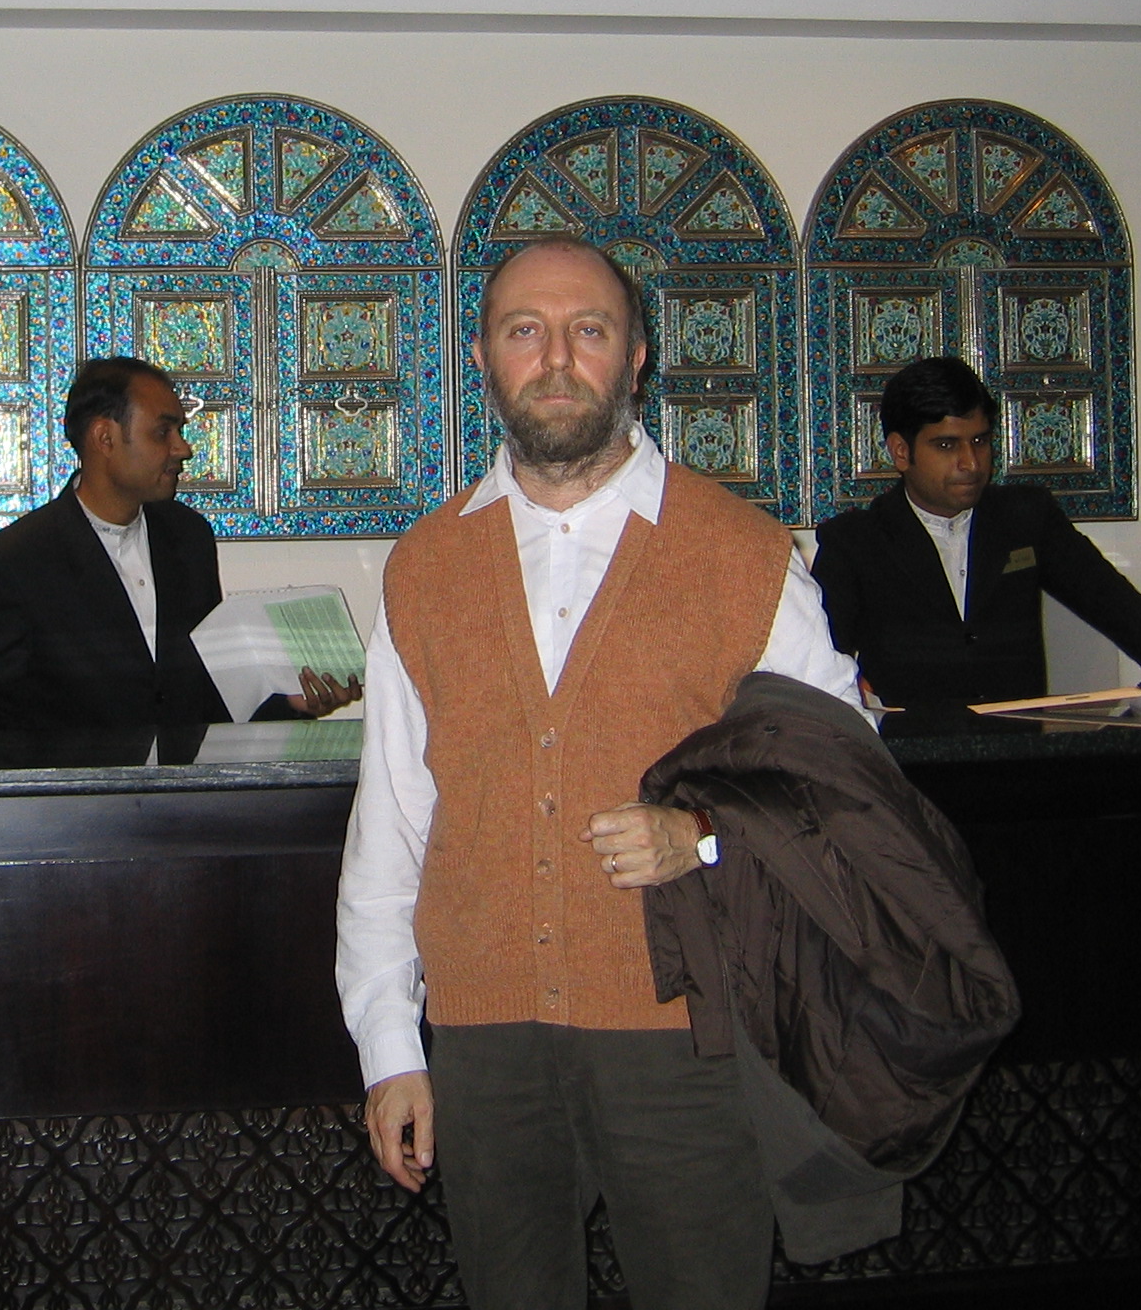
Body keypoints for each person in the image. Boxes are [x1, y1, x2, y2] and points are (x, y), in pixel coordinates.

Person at [336, 237, 862, 1310]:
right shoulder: (424, 567)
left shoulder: (746, 555)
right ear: (483, 357)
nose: (556, 358)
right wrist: (390, 1045)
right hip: (485, 1048)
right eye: (524, 331)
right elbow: (390, 824)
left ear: (636, 356)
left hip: (685, 1035)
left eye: (589, 330)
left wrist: (702, 837)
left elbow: (849, 794)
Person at [0, 356, 353, 740]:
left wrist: (287, 704)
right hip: (79, 790)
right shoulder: (14, 560)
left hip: (185, 789)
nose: (182, 449)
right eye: (163, 432)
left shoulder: (187, 536)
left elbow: (205, 694)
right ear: (105, 437)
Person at [812, 357, 1141, 708]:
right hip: (905, 751)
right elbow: (818, 663)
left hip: (1016, 748)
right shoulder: (853, 542)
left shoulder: (1027, 518)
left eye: (980, 441)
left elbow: (1114, 602)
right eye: (946, 445)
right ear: (900, 451)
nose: (971, 463)